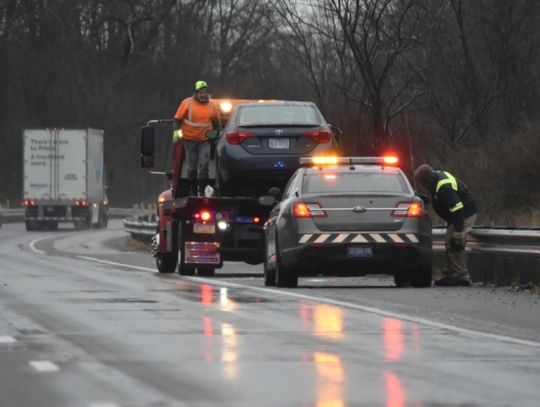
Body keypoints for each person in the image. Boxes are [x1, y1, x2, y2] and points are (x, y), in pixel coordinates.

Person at [414, 164, 477, 286]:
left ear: (426, 180)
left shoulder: (443, 187)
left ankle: (461, 276)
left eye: (421, 183)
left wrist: (458, 230)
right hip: (456, 216)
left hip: (463, 214)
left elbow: (457, 208)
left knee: (455, 242)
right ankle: (451, 274)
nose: (422, 186)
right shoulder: (435, 180)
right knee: (450, 242)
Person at [174, 80, 221, 196]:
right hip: (189, 140)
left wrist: (218, 134)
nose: (203, 94)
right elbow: (177, 119)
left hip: (205, 141)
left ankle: (201, 190)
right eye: (200, 92)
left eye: (205, 92)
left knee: (204, 166)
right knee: (192, 167)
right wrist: (176, 133)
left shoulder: (212, 105)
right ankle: (193, 189)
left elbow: (217, 122)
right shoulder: (187, 103)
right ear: (195, 93)